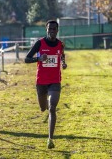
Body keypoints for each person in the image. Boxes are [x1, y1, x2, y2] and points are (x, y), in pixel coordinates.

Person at [25, 20, 67, 149]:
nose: (52, 31)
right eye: (50, 29)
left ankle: (50, 138)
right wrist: (38, 58)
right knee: (43, 108)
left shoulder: (60, 44)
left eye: (54, 29)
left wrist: (63, 63)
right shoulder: (39, 43)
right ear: (46, 30)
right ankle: (44, 107)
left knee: (52, 107)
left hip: (55, 81)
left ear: (57, 30)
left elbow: (62, 55)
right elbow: (26, 59)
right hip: (41, 82)